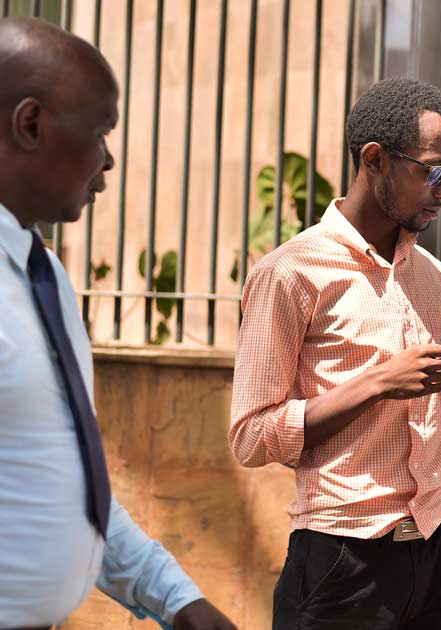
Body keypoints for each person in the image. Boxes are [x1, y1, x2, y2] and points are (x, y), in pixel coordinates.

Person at [0, 16, 235, 630]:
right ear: (30, 125)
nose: (107, 163)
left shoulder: (40, 275)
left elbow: (68, 486)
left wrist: (176, 599)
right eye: (100, 132)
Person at [228, 78, 441, 630]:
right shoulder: (290, 274)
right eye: (432, 170)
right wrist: (377, 383)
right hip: (343, 561)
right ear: (375, 159)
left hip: (438, 547)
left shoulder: (433, 278)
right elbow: (250, 437)